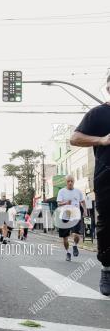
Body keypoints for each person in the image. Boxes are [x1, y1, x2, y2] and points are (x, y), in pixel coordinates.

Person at [71, 90, 110, 295]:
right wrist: (102, 140)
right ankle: (107, 268)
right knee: (106, 222)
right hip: (106, 177)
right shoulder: (98, 114)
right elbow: (75, 138)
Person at [56, 175, 86, 262]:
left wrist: (84, 210)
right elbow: (58, 204)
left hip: (75, 216)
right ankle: (68, 252)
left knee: (76, 234)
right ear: (66, 182)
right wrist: (66, 203)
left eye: (71, 181)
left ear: (74, 182)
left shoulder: (78, 191)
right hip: (65, 217)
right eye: (68, 181)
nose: (70, 183)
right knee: (65, 238)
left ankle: (75, 245)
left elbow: (83, 201)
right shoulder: (62, 191)